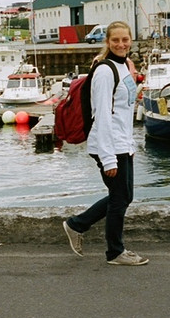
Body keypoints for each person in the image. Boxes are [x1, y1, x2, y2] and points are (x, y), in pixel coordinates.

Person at [62, 20, 147, 266]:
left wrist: (129, 145)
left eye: (125, 39)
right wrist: (108, 157)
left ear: (131, 40)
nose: (121, 44)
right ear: (108, 42)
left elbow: (122, 109)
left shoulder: (123, 67)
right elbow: (102, 116)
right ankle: (115, 252)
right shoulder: (104, 71)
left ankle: (76, 225)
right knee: (119, 199)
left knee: (123, 196)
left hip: (123, 143)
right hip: (108, 145)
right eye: (115, 40)